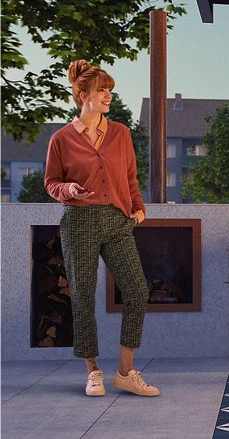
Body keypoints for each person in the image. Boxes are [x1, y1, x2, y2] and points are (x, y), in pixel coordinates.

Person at [45, 60, 160, 397]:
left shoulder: (121, 133)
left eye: (110, 89)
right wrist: (70, 191)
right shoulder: (62, 139)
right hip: (79, 221)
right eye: (102, 90)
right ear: (83, 95)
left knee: (137, 291)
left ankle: (125, 371)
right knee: (82, 297)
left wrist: (138, 210)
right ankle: (93, 371)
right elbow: (51, 182)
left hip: (117, 221)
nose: (108, 95)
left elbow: (129, 178)